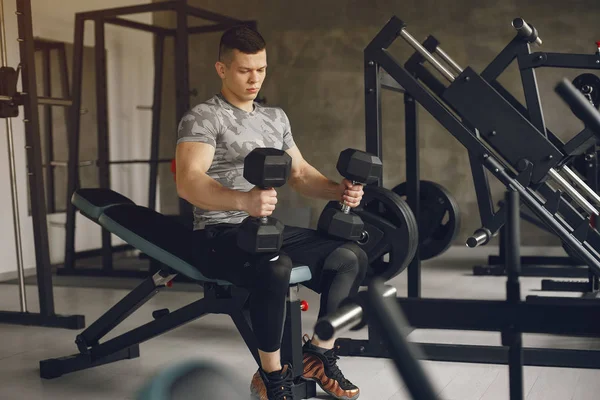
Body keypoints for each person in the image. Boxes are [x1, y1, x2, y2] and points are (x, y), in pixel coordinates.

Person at [175, 25, 368, 400]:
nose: (254, 78)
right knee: (275, 266)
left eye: (261, 69)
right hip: (218, 233)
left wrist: (336, 189)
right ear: (221, 69)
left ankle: (320, 353)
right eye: (245, 70)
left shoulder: (275, 118)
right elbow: (189, 182)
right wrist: (242, 201)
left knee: (349, 256)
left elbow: (299, 174)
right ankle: (272, 375)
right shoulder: (202, 117)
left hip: (264, 228)